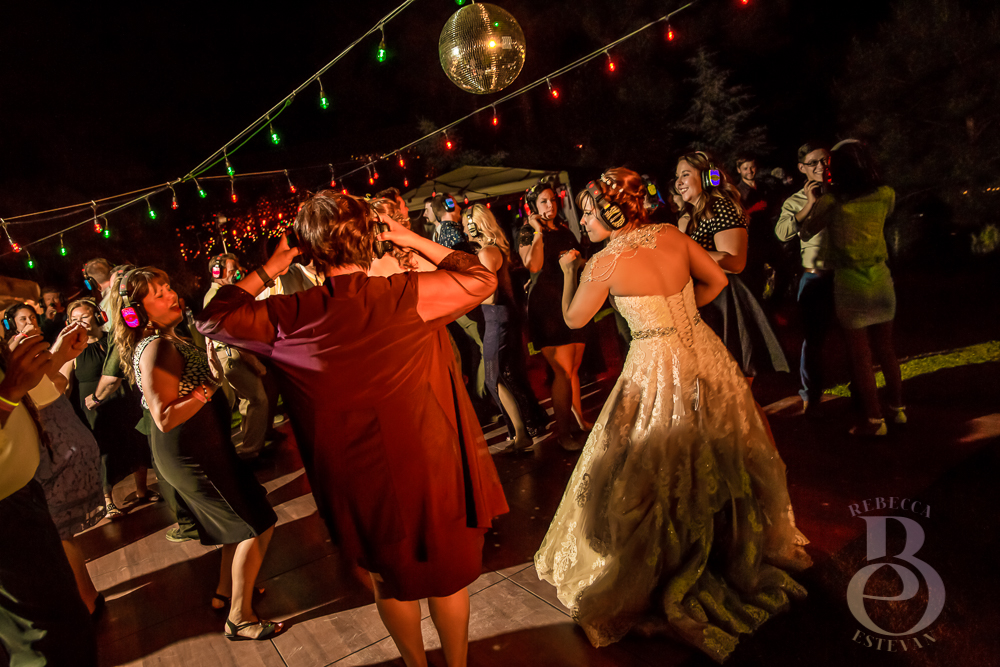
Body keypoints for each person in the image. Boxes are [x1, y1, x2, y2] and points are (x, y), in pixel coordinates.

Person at [197, 191, 508, 667]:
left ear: (308, 250)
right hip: (427, 457)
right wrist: (407, 237)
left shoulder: (291, 314)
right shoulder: (404, 293)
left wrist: (273, 266)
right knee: (446, 578)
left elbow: (212, 318)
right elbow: (481, 277)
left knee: (387, 578)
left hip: (356, 473)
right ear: (369, 240)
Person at [534, 168, 811, 663]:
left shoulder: (603, 263)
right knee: (716, 449)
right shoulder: (671, 235)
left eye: (590, 212)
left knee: (653, 464)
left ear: (611, 211)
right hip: (702, 351)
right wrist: (684, 320)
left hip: (654, 363)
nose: (584, 221)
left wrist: (571, 273)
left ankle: (668, 564)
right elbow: (718, 280)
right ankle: (725, 549)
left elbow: (574, 318)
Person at [111, 267, 281, 640]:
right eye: (158, 294)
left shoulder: (168, 338)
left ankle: (226, 592)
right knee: (255, 523)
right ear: (135, 312)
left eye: (167, 286)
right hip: (191, 453)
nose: (171, 295)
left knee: (241, 521)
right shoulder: (157, 346)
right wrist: (208, 388)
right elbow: (164, 417)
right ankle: (240, 618)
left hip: (206, 447)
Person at [1, 319, 98, 666]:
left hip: (24, 495)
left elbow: (27, 395)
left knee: (67, 620)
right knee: (46, 640)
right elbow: (9, 396)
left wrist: (55, 359)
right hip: (6, 515)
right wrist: (8, 393)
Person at [799, 140, 904, 436]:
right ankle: (897, 409)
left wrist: (818, 198)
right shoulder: (885, 194)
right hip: (881, 277)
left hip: (850, 281)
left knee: (861, 356)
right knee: (887, 349)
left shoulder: (833, 202)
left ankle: (873, 420)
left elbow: (806, 231)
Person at [675, 151, 789, 380]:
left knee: (733, 379)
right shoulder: (691, 215)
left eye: (685, 175)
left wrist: (687, 254)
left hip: (727, 301)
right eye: (677, 177)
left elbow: (735, 262)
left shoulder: (722, 207)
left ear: (706, 177)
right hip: (706, 300)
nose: (678, 182)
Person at [61, 299, 156, 519]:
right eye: (74, 319)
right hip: (95, 407)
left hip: (124, 398)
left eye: (84, 317)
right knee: (104, 450)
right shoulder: (72, 348)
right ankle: (107, 501)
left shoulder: (114, 340)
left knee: (135, 441)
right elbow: (64, 383)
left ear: (98, 316)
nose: (80, 322)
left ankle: (142, 490)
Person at [465, 204, 546, 451]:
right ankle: (521, 430)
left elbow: (489, 295)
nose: (464, 229)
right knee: (501, 375)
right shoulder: (494, 249)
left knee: (493, 377)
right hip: (501, 316)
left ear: (476, 226)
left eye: (467, 224)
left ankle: (521, 433)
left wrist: (466, 294)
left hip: (495, 317)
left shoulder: (486, 252)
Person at [518, 179, 590, 450]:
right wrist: (538, 231)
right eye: (543, 202)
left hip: (571, 298)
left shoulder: (563, 227)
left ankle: (579, 421)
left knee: (573, 369)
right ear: (532, 207)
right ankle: (564, 433)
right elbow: (533, 265)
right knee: (562, 371)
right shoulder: (527, 231)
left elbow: (578, 260)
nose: (550, 205)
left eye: (552, 200)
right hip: (547, 306)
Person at [775, 142, 835, 414]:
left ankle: (862, 395)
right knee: (813, 340)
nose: (821, 166)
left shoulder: (842, 193)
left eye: (825, 160)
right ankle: (811, 396)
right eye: (813, 163)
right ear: (801, 168)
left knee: (854, 338)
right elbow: (782, 233)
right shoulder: (795, 201)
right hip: (815, 277)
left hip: (845, 275)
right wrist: (810, 203)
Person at [204, 254, 273, 458]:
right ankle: (251, 451)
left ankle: (252, 442)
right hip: (232, 355)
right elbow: (231, 335)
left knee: (247, 401)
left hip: (231, 354)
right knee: (258, 399)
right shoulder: (217, 297)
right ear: (217, 272)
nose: (236, 273)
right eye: (232, 269)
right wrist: (253, 361)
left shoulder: (221, 293)